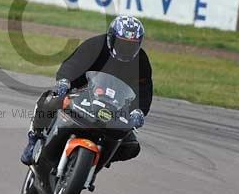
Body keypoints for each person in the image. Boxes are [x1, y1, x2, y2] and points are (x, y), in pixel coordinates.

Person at [20, 15, 153, 165]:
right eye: (122, 43)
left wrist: (138, 111)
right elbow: (73, 64)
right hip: (83, 91)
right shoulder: (95, 45)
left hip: (116, 105)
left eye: (131, 45)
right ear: (111, 38)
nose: (126, 49)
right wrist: (65, 82)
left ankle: (100, 159)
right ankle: (34, 138)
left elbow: (144, 90)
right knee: (50, 100)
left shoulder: (141, 60)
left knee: (132, 146)